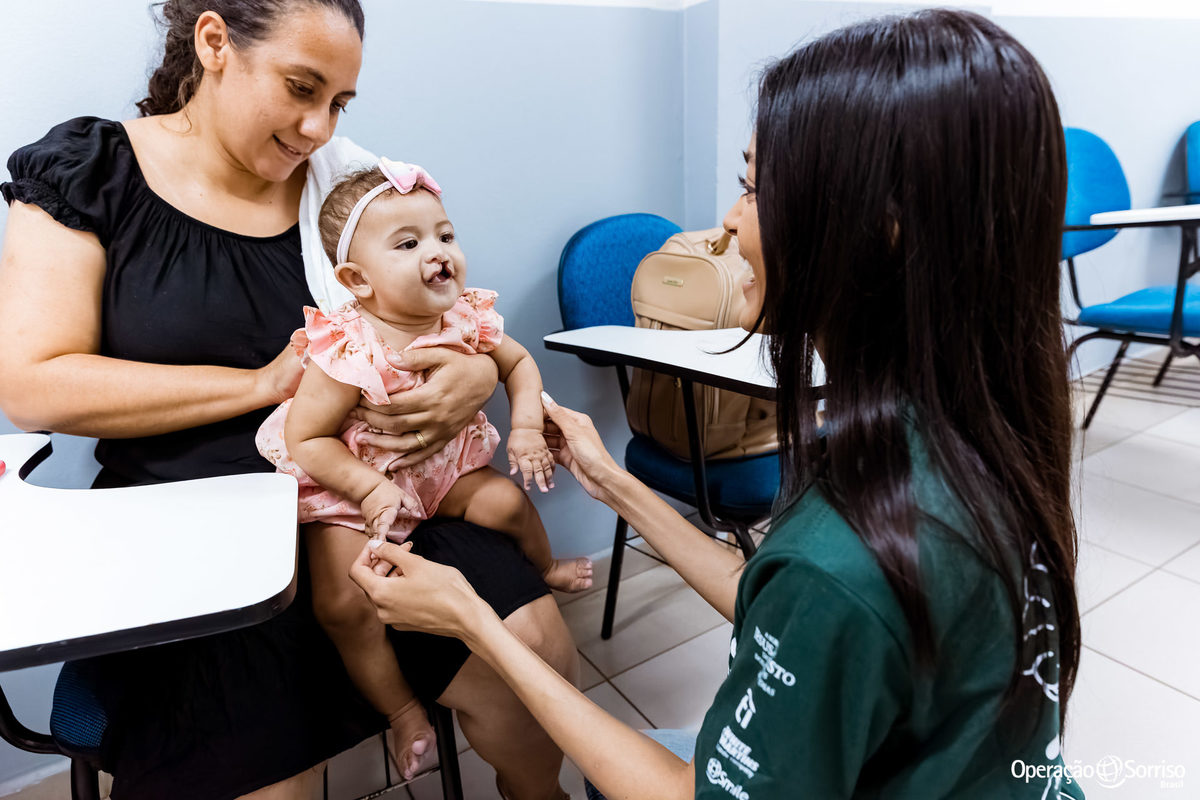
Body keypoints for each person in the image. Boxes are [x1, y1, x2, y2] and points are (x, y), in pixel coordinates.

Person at [349, 9, 1086, 799]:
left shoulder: (847, 560)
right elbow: (777, 602)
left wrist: (474, 623)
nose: (730, 224)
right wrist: (612, 480)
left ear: (881, 230)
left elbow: (697, 776)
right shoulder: (979, 445)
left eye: (753, 190)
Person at [0, 2, 576, 798]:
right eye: (302, 88)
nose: (317, 127)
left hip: (372, 494)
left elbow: (434, 304)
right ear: (214, 43)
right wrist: (259, 385)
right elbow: (32, 385)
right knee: (263, 765)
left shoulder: (341, 185)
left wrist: (477, 376)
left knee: (534, 650)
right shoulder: (91, 172)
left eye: (339, 103)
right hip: (198, 527)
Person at [255, 158, 593, 778]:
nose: (438, 252)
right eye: (408, 244)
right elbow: (306, 438)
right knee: (343, 602)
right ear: (357, 279)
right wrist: (367, 487)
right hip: (356, 493)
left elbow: (519, 365)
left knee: (508, 504)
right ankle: (403, 711)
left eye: (444, 234)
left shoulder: (465, 318)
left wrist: (525, 427)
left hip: (442, 474)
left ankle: (544, 565)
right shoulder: (346, 348)